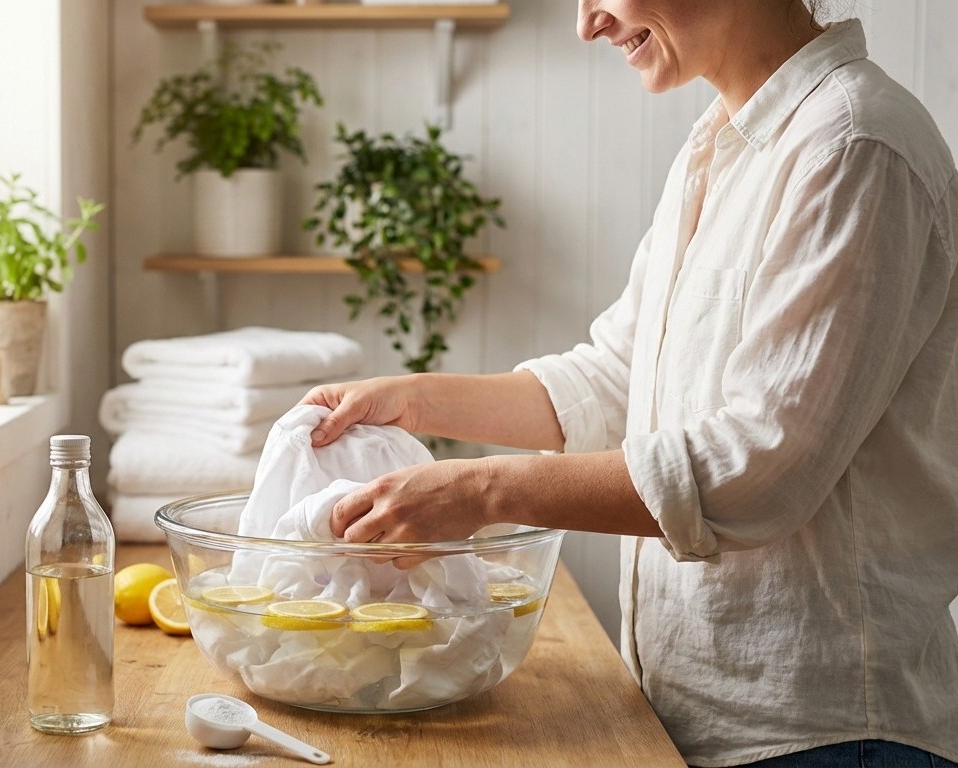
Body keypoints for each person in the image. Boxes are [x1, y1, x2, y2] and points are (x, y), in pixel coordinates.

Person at [300, 1, 958, 766]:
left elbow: (759, 468)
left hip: (827, 734)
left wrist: (477, 493)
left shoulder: (853, 146)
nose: (587, 23)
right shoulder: (723, 143)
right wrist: (413, 398)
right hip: (699, 715)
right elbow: (617, 379)